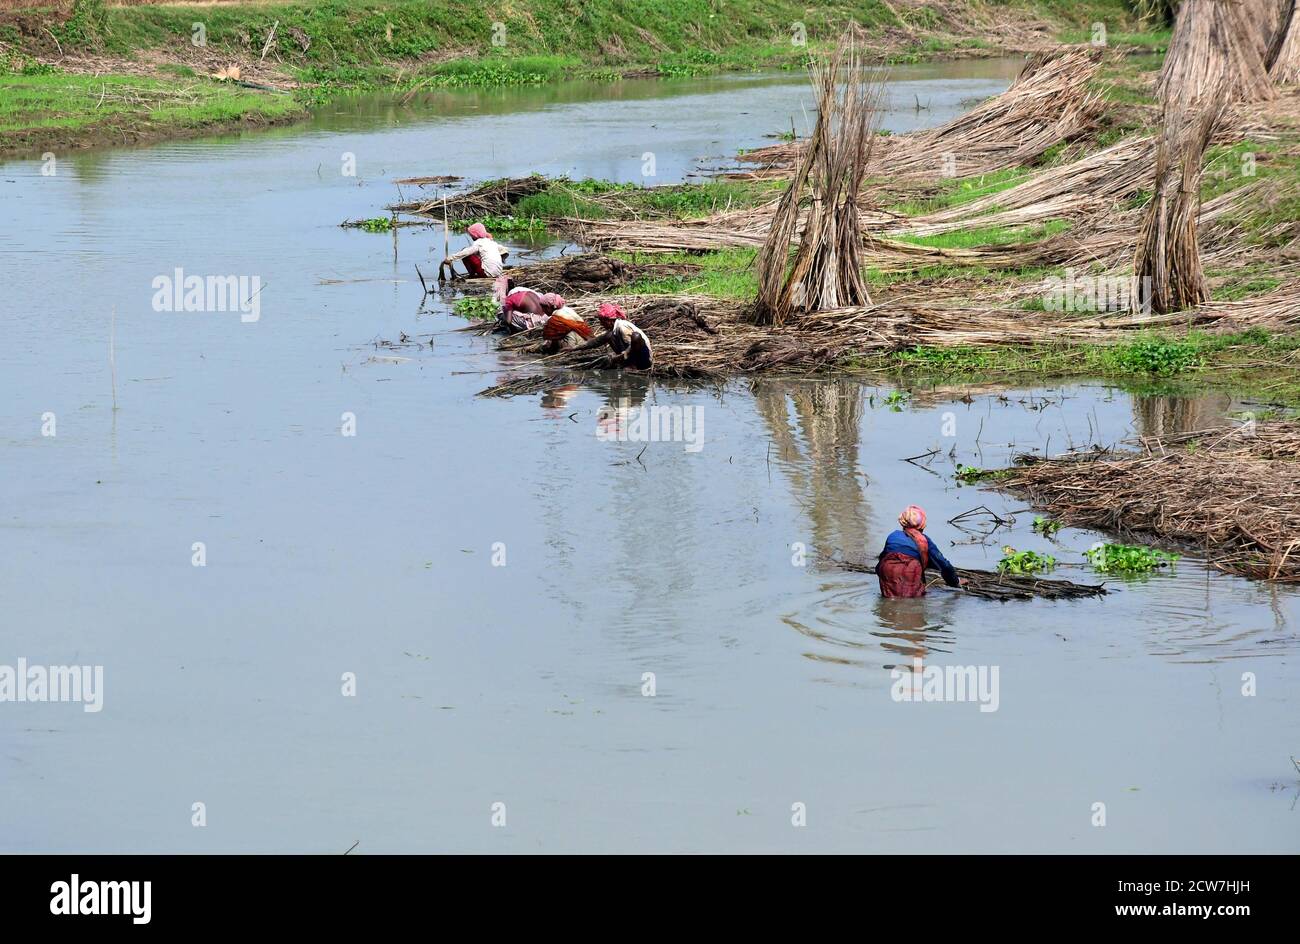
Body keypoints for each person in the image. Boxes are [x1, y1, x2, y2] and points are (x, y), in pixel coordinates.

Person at [876, 505, 962, 598]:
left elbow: (883, 557)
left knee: (890, 599)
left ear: (903, 522)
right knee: (911, 604)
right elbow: (944, 565)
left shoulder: (893, 536)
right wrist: (955, 582)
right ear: (922, 525)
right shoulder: (925, 541)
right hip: (910, 570)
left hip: (886, 569)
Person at [573, 303, 653, 369]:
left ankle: (632, 365)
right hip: (630, 356)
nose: (601, 324)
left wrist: (618, 357)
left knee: (636, 336)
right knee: (608, 336)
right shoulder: (613, 330)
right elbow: (596, 342)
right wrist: (574, 348)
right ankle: (626, 363)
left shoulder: (622, 327)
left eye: (603, 321)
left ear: (610, 320)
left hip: (644, 359)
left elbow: (632, 347)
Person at [442, 223, 510, 279]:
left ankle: (472, 275)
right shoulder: (491, 242)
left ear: (475, 235)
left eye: (471, 235)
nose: (471, 237)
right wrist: (502, 259)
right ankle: (476, 273)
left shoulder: (478, 243)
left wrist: (450, 258)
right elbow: (505, 250)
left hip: (487, 274)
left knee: (466, 253)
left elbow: (466, 252)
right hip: (498, 272)